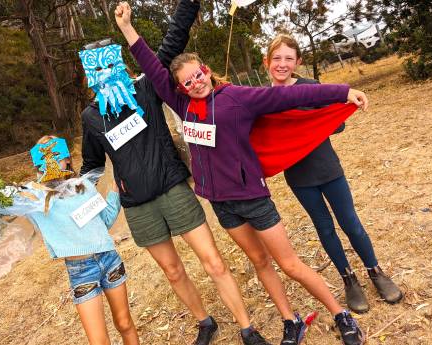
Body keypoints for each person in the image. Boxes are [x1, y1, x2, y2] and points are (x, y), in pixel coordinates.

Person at [116, 2, 367, 344]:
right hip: (223, 205)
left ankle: (342, 314)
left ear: (206, 70)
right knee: (260, 262)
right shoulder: (183, 105)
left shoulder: (238, 98)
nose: (196, 82)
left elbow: (297, 96)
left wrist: (342, 92)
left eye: (198, 74)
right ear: (180, 88)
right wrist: (128, 28)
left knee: (290, 265)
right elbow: (152, 68)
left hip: (253, 198)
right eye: (187, 82)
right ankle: (290, 320)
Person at [80, 1, 272, 344]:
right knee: (172, 271)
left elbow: (173, 44)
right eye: (98, 67)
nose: (107, 72)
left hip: (173, 188)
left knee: (213, 262)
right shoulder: (91, 117)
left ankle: (246, 327)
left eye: (111, 62)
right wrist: (68, 188)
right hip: (138, 206)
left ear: (120, 62)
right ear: (88, 75)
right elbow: (91, 166)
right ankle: (205, 321)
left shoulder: (145, 89)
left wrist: (188, 5)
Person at [0, 135, 139, 345]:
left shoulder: (84, 186)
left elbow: (104, 223)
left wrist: (113, 194)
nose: (53, 163)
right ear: (39, 167)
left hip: (110, 260)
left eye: (57, 156)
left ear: (67, 159)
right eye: (46, 160)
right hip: (81, 272)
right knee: (98, 340)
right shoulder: (35, 196)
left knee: (125, 323)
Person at [263, 34, 403, 313]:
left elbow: (336, 123)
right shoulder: (262, 99)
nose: (282, 64)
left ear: (298, 61)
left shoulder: (311, 87)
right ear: (266, 62)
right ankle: (348, 278)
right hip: (299, 178)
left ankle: (375, 271)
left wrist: (312, 123)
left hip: (328, 169)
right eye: (276, 58)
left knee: (350, 222)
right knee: (324, 227)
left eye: (288, 58)